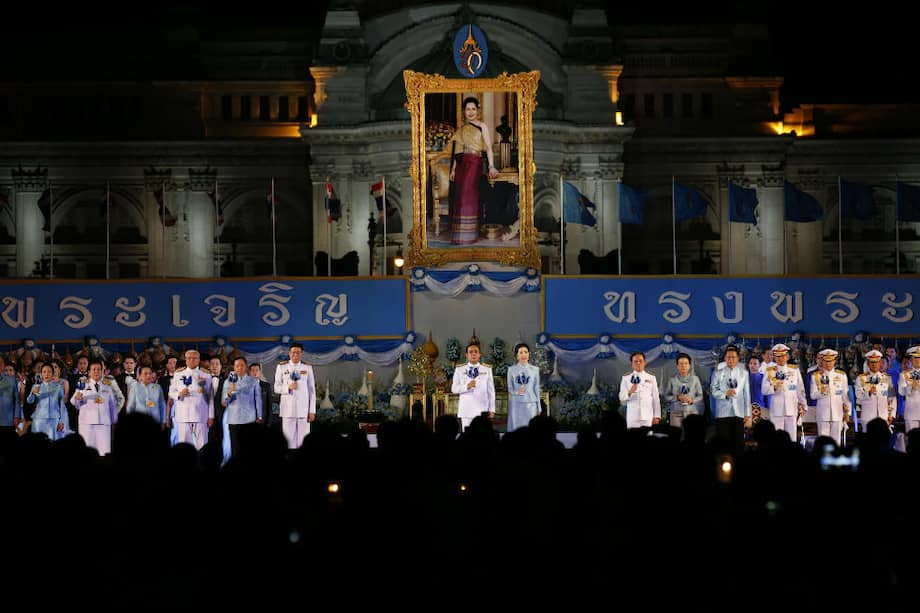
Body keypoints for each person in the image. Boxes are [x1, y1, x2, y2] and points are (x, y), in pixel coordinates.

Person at [447, 96, 499, 245]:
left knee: (468, 198)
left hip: (474, 163)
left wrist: (491, 166)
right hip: (462, 165)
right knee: (460, 199)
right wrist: (453, 170)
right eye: (468, 109)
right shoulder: (461, 129)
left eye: (473, 109)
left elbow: (488, 148)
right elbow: (457, 152)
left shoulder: (482, 126)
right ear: (464, 111)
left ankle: (469, 236)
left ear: (478, 110)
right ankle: (459, 236)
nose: (470, 112)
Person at [167, 349, 215, 450]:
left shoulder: (206, 375)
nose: (191, 360)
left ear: (199, 360)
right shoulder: (178, 374)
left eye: (194, 358)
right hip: (183, 413)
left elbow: (210, 397)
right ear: (185, 360)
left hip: (201, 413)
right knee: (184, 446)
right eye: (189, 358)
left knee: (202, 444)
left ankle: (203, 464)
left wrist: (211, 416)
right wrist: (179, 394)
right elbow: (171, 392)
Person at [71, 358, 120, 455]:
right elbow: (73, 402)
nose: (96, 371)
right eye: (94, 369)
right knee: (87, 452)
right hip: (87, 424)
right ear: (89, 372)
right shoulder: (83, 385)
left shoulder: (108, 386)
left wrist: (114, 421)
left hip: (104, 423)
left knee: (104, 452)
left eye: (99, 369)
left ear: (103, 372)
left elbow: (112, 405)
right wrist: (77, 398)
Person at [710, 345, 751, 455]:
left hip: (739, 413)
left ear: (738, 358)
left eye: (733, 357)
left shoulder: (744, 374)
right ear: (725, 359)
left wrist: (748, 414)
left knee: (738, 443)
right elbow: (713, 391)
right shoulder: (717, 373)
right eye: (728, 357)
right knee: (723, 443)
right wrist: (725, 394)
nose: (731, 359)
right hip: (723, 413)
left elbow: (747, 395)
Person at [274, 342, 316, 449]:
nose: (295, 355)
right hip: (288, 410)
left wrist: (312, 411)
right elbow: (276, 387)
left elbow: (312, 390)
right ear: (289, 353)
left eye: (298, 353)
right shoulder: (282, 367)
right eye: (293, 353)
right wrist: (288, 387)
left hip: (303, 410)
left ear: (302, 354)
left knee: (304, 441)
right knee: (288, 440)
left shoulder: (307, 368)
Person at [761, 343, 806, 441]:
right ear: (774, 358)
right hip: (777, 409)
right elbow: (764, 390)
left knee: (791, 438)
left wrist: (803, 404)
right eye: (778, 356)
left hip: (792, 408)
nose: (780, 358)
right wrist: (774, 388)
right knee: (777, 438)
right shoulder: (770, 371)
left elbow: (800, 389)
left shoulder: (794, 370)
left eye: (783, 356)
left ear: (787, 356)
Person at [222, 356, 263, 457]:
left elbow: (258, 399)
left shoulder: (253, 381)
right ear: (234, 367)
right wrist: (230, 393)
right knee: (235, 449)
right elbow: (224, 402)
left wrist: (259, 415)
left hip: (249, 419)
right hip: (233, 419)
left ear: (246, 367)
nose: (239, 368)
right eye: (237, 366)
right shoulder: (228, 382)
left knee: (249, 448)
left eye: (242, 365)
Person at [809, 348, 851, 447]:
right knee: (823, 442)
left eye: (830, 361)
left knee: (836, 442)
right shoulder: (815, 376)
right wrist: (821, 392)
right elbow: (812, 395)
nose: (828, 363)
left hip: (837, 413)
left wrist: (847, 413)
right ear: (822, 361)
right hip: (823, 413)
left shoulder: (841, 376)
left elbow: (845, 395)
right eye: (826, 361)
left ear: (834, 361)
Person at [450, 342, 495, 431]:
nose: (473, 354)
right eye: (471, 352)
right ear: (466, 355)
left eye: (476, 351)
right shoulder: (459, 369)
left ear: (479, 354)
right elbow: (454, 389)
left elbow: (491, 391)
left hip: (482, 409)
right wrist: (467, 386)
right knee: (467, 436)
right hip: (467, 409)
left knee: (482, 436)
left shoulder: (487, 369)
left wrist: (492, 408)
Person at [618, 351, 661, 429]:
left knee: (647, 439)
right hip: (633, 417)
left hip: (648, 416)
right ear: (632, 364)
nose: (638, 363)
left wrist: (657, 416)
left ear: (645, 362)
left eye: (640, 361)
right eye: (635, 361)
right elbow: (621, 397)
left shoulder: (651, 377)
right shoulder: (626, 378)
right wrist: (630, 392)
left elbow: (656, 398)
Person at [27, 363, 67, 440]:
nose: (46, 374)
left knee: (52, 441)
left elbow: (62, 405)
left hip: (53, 419)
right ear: (41, 374)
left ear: (52, 374)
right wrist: (32, 393)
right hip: (39, 419)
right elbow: (30, 401)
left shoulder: (58, 387)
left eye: (49, 372)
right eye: (44, 372)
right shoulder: (36, 386)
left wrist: (62, 421)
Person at [506, 342, 540, 432]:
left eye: (525, 352)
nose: (523, 354)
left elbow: (536, 389)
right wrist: (517, 392)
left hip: (531, 404)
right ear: (517, 355)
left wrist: (539, 407)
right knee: (517, 429)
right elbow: (509, 388)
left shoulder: (535, 370)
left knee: (530, 428)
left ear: (529, 354)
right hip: (516, 404)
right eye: (520, 352)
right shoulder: (511, 370)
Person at [856, 349, 894, 429]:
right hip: (867, 417)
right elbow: (858, 395)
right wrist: (868, 393)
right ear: (868, 364)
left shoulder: (887, 378)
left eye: (876, 362)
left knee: (882, 440)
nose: (874, 365)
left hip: (883, 416)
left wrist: (891, 415)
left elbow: (892, 398)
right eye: (872, 362)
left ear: (880, 363)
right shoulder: (861, 378)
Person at [663, 353, 703, 428]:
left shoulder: (695, 379)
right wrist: (677, 397)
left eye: (686, 363)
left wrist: (692, 400)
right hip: (676, 412)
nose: (683, 366)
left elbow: (700, 396)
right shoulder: (672, 380)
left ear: (689, 365)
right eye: (681, 364)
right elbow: (666, 396)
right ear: (677, 366)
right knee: (676, 434)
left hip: (692, 412)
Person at [899, 346, 920, 432]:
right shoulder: (904, 374)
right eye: (915, 358)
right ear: (911, 359)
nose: (918, 360)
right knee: (913, 441)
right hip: (912, 413)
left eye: (919, 358)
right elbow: (901, 392)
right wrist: (911, 387)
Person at [0, 357, 23, 432]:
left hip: (7, 419)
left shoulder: (12, 380)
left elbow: (17, 400)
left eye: (1, 363)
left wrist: (16, 416)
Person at [249, 362, 275, 428]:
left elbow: (269, 405)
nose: (255, 372)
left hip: (263, 420)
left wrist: (269, 422)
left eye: (257, 370)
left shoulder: (266, 386)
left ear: (260, 372)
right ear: (249, 372)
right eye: (252, 370)